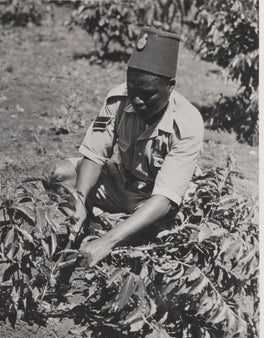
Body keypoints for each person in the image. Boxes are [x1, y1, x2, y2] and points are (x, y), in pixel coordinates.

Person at [49, 27, 204, 268]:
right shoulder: (119, 99)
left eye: (148, 94)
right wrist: (79, 200)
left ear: (170, 87)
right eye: (133, 89)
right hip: (122, 182)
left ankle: (114, 237)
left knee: (171, 239)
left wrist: (106, 243)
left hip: (153, 201)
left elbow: (165, 198)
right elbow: (94, 153)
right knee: (60, 177)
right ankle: (91, 226)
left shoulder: (187, 123)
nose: (138, 100)